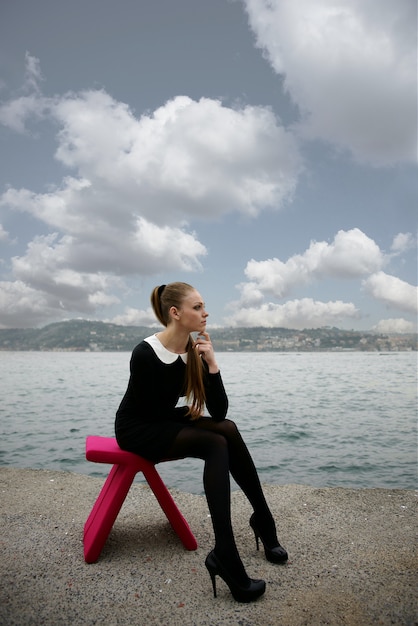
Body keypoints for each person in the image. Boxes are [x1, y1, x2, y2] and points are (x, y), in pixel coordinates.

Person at [115, 282, 288, 603]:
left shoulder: (194, 350)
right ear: (175, 313)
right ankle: (226, 552)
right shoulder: (145, 353)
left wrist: (212, 365)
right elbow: (150, 412)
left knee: (228, 430)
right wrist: (192, 421)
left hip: (163, 419)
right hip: (137, 429)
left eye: (203, 306)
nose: (205, 313)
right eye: (197, 307)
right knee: (215, 444)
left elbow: (220, 412)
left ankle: (263, 519)